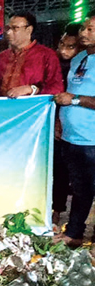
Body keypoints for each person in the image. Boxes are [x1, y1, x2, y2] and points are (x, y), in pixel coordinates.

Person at [54, 17, 95, 248]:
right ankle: (74, 233)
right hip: (71, 136)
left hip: (92, 138)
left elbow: (73, 97)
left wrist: (76, 100)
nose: (83, 32)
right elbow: (68, 92)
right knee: (80, 190)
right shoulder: (79, 57)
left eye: (90, 29)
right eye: (83, 28)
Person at [52, 24, 83, 225]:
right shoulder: (55, 65)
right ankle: (56, 211)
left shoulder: (82, 67)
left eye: (70, 47)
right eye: (62, 44)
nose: (64, 50)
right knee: (58, 171)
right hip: (56, 128)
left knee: (82, 179)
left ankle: (77, 224)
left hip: (83, 131)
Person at [0, 11, 63, 97]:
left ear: (29, 30)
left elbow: (56, 87)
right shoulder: (0, 58)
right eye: (8, 28)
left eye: (15, 28)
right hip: (2, 108)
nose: (8, 33)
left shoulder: (47, 55)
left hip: (31, 108)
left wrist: (31, 89)